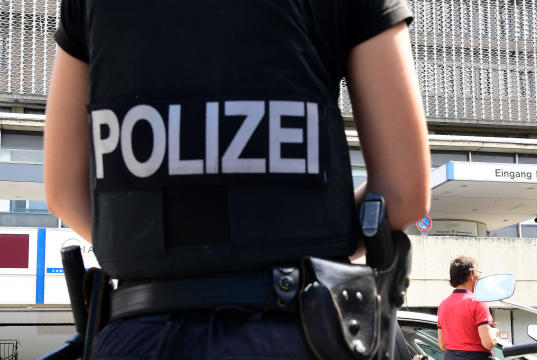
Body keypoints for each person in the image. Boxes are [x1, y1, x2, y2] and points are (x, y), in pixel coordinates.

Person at [44, 0, 430, 359]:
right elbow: (404, 192)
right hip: (295, 331)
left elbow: (64, 192)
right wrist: (306, 234)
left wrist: (162, 246)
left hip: (133, 334)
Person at [436, 256, 498, 360]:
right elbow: (488, 343)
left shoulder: (443, 305)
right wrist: (494, 331)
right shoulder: (477, 302)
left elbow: (442, 345)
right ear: (471, 274)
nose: (479, 276)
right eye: (478, 272)